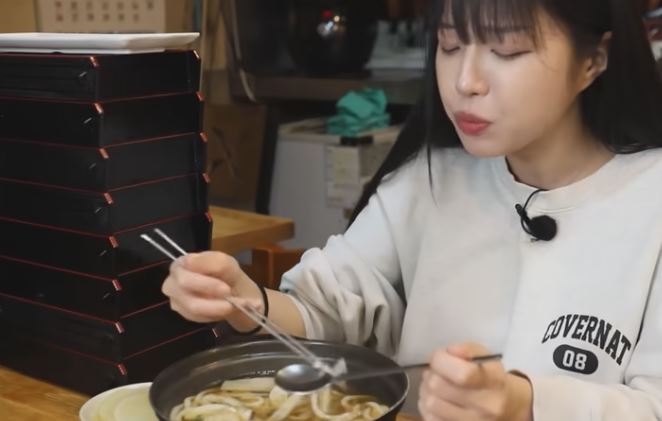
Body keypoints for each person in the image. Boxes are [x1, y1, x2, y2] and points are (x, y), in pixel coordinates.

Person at [163, 0, 662, 419]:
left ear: (593, 60)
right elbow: (328, 309)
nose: (465, 81)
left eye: (507, 50)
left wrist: (523, 404)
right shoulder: (427, 181)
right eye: (449, 45)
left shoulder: (648, 199)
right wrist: (246, 300)